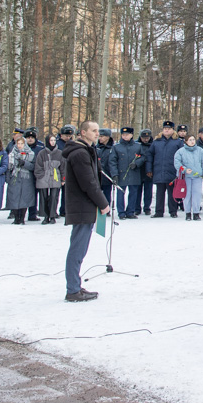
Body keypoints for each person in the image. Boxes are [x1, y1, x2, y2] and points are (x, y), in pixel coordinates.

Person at [64, 121, 111, 302]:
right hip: (82, 206)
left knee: (80, 249)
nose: (97, 133)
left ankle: (75, 285)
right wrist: (103, 203)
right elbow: (89, 183)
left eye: (98, 130)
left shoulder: (87, 151)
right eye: (94, 131)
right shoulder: (79, 154)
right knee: (77, 249)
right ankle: (73, 290)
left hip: (86, 205)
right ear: (83, 133)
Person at [109, 127, 147, 220]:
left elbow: (143, 157)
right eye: (123, 135)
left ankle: (130, 211)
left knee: (133, 193)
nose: (125, 136)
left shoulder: (138, 146)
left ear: (131, 135)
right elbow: (112, 161)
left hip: (134, 173)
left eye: (127, 134)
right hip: (121, 173)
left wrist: (137, 163)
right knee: (121, 193)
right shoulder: (116, 147)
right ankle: (121, 212)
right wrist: (114, 174)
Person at [150, 121, 184, 218]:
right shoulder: (156, 142)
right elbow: (150, 156)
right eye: (165, 128)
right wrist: (149, 169)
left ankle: (173, 211)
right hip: (159, 170)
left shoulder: (178, 142)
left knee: (172, 193)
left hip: (172, 171)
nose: (166, 130)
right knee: (159, 193)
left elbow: (182, 157)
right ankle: (159, 212)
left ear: (173, 130)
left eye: (169, 129)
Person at [5, 130, 37, 225]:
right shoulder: (11, 154)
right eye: (18, 143)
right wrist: (8, 178)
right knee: (14, 197)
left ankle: (22, 218)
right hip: (14, 177)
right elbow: (8, 167)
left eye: (21, 143)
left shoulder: (30, 154)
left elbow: (33, 167)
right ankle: (16, 218)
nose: (19, 145)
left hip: (26, 178)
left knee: (25, 198)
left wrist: (25, 163)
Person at [174, 134, 203, 221]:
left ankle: (196, 213)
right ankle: (188, 213)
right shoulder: (180, 152)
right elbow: (177, 163)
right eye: (190, 140)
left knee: (197, 194)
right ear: (186, 141)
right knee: (187, 195)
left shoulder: (200, 151)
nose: (192, 141)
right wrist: (184, 169)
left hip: (197, 176)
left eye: (193, 139)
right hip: (186, 177)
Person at [34, 134, 65, 224]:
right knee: (43, 197)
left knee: (54, 197)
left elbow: (63, 167)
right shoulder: (42, 153)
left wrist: (63, 179)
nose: (53, 142)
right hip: (43, 178)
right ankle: (45, 216)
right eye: (51, 140)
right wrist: (40, 176)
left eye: (54, 140)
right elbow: (38, 166)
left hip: (55, 177)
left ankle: (52, 216)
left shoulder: (59, 153)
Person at [137, 128, 155, 214]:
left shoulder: (153, 145)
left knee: (148, 191)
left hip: (149, 171)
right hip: (138, 170)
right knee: (138, 191)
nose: (145, 139)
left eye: (147, 138)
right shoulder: (136, 145)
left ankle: (147, 207)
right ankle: (137, 208)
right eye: (143, 137)